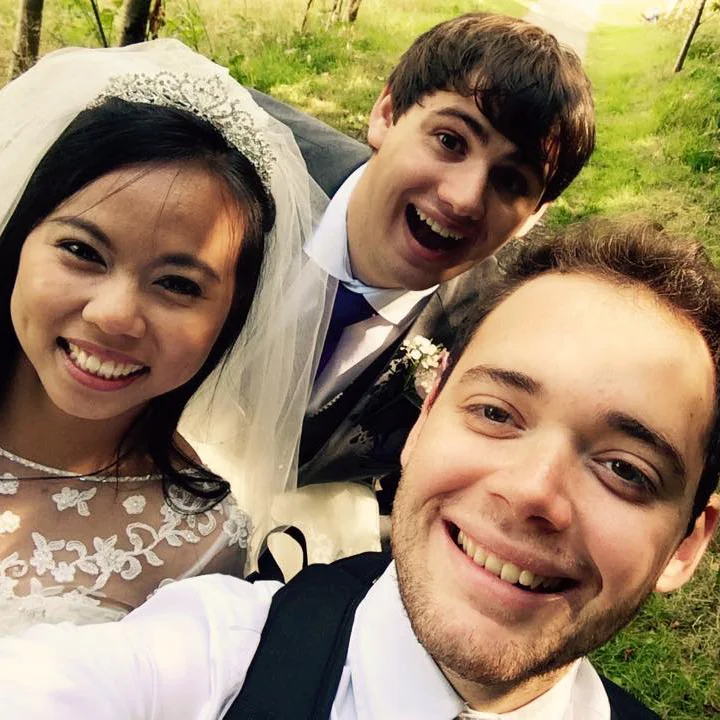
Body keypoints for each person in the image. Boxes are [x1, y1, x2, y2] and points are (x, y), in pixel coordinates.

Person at [1, 220, 717, 719]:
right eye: (496, 413)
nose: (532, 491)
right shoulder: (214, 655)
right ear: (424, 418)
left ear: (687, 543)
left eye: (625, 470)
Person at [0, 41, 330, 633]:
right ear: (20, 238)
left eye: (177, 284)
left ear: (230, 318)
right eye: (82, 251)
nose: (114, 315)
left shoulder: (199, 544)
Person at [248, 11, 597, 567]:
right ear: (387, 114)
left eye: (511, 181)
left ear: (533, 217)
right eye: (450, 141)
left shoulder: (491, 330)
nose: (464, 198)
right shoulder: (236, 158)